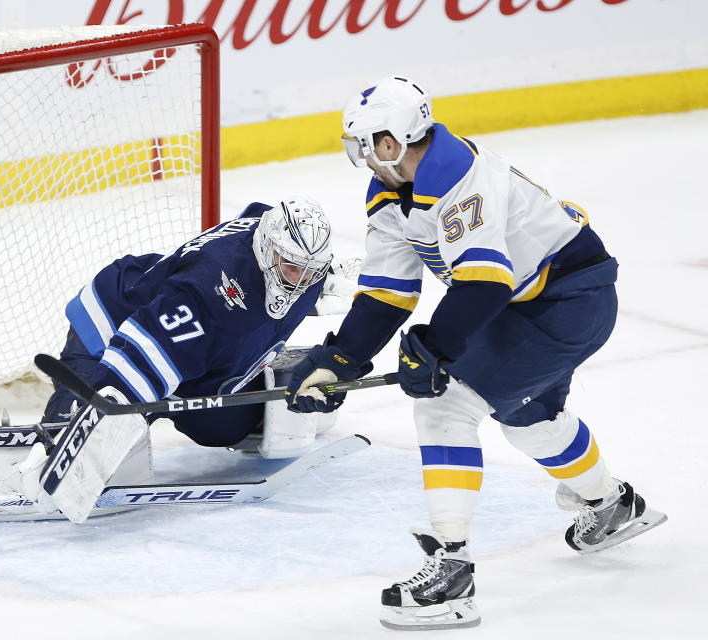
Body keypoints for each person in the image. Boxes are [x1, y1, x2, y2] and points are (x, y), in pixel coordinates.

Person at [283, 75, 667, 630]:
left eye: (362, 145)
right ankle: (612, 505)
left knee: (445, 406)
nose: (359, 157)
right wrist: (338, 360)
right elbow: (387, 293)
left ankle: (451, 572)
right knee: (529, 416)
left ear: (390, 143)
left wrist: (435, 348)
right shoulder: (392, 194)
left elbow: (485, 283)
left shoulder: (457, 175)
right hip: (531, 303)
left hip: (568, 301)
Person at [22, 197, 340, 523]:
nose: (299, 280)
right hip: (113, 326)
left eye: (311, 271)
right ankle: (52, 439)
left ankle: (282, 387)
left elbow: (256, 212)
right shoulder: (209, 291)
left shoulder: (284, 251)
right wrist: (77, 445)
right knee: (109, 427)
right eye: (291, 266)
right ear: (266, 247)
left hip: (193, 347)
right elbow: (136, 364)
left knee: (219, 429)